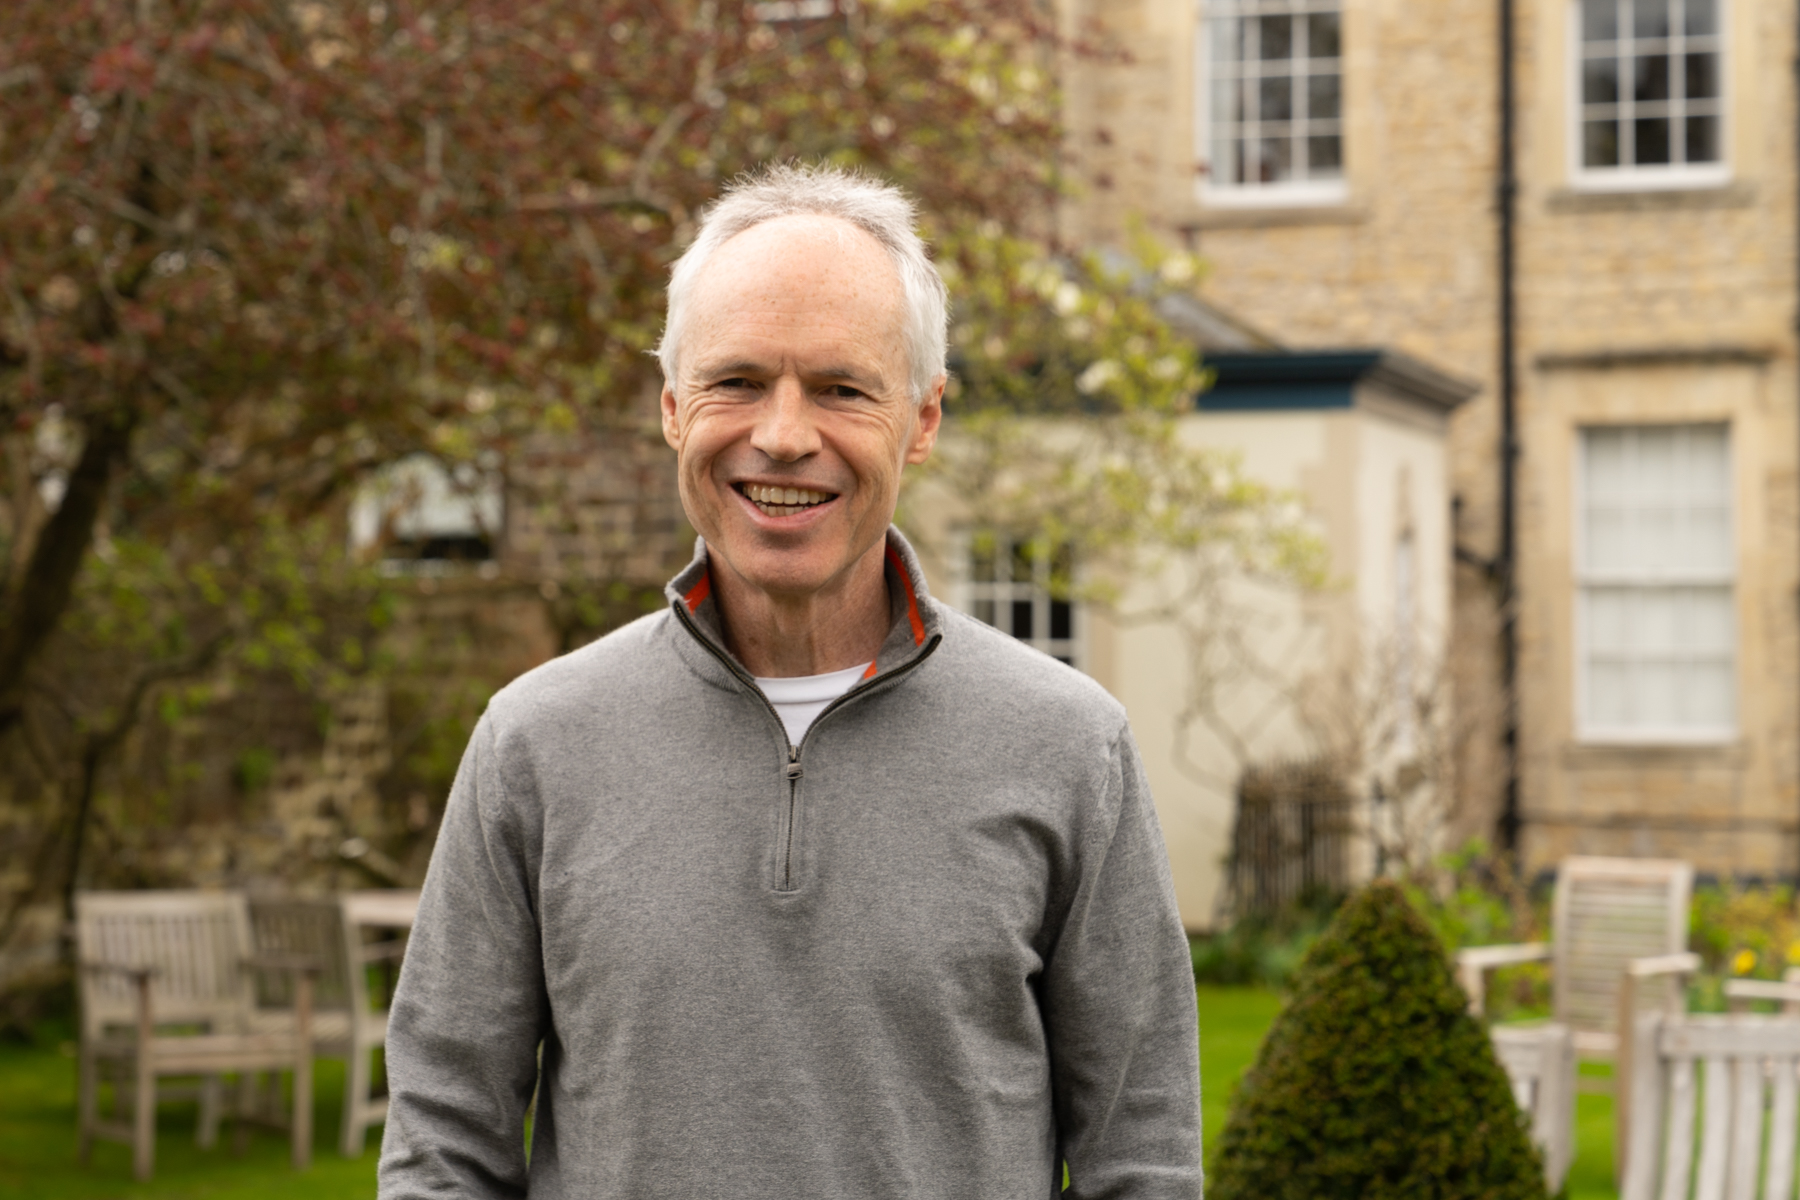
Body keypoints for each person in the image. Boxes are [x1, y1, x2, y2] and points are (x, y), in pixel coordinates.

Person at [378, 163, 1202, 1199]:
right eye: (736, 382)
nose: (781, 435)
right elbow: (443, 1138)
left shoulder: (1070, 749)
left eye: (842, 389)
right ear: (674, 407)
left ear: (925, 418)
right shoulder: (534, 744)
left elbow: (1144, 1153)